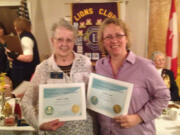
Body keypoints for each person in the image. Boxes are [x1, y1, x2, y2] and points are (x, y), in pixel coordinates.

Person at [21, 18, 98, 135]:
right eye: (60, 39)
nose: (64, 44)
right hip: (56, 132)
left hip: (85, 131)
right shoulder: (43, 69)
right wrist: (39, 124)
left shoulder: (85, 63)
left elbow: (94, 96)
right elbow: (26, 102)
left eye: (69, 40)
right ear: (52, 40)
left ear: (74, 42)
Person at [95, 18, 170, 135]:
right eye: (108, 37)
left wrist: (139, 117)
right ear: (103, 41)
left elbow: (163, 97)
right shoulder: (100, 66)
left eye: (119, 35)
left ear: (126, 38)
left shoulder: (145, 66)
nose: (114, 40)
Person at [7, 17, 40, 89]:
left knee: (23, 95)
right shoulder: (24, 37)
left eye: (15, 26)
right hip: (22, 72)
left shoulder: (25, 38)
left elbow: (29, 58)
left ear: (19, 27)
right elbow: (20, 55)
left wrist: (14, 55)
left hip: (25, 74)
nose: (14, 28)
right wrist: (12, 56)